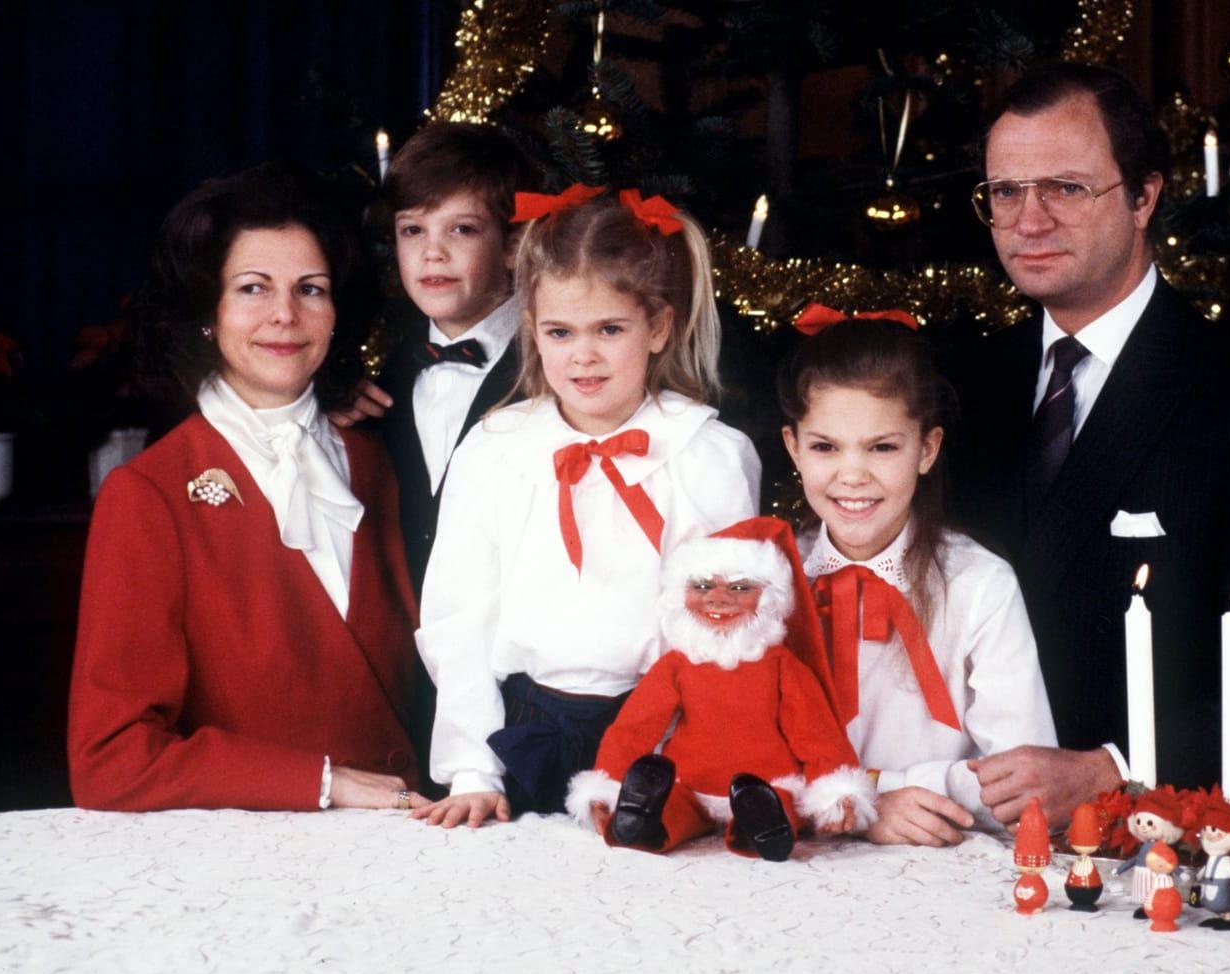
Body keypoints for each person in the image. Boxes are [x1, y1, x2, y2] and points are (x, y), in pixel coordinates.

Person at [948, 62, 1230, 816]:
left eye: (1065, 187)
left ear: (1144, 198)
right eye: (1006, 192)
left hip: (1153, 843)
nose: (1029, 221)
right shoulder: (960, 388)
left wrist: (1110, 770)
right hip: (959, 825)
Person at [68, 162, 428, 812]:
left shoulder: (371, 461)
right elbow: (110, 759)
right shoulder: (148, 495)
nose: (285, 315)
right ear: (209, 311)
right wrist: (323, 783)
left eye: (311, 289)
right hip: (252, 866)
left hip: (410, 841)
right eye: (254, 288)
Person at [409, 185, 761, 828]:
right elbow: (458, 617)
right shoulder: (496, 450)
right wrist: (471, 769)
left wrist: (706, 761)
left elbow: (725, 629)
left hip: (661, 741)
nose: (584, 354)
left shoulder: (708, 454)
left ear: (658, 327)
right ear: (533, 330)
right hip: (521, 736)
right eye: (560, 331)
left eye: (610, 328)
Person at [779, 313, 1057, 848]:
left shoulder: (979, 585)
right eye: (825, 447)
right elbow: (727, 755)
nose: (852, 474)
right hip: (793, 856)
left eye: (882, 447)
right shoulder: (766, 580)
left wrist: (893, 792)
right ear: (793, 446)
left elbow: (1020, 783)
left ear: (926, 449)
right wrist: (868, 805)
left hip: (935, 862)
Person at [566, 517, 874, 861]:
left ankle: (761, 826)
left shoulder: (783, 667)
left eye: (740, 588)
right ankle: (642, 821)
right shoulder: (677, 665)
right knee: (671, 805)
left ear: (769, 598)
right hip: (690, 784)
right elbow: (634, 729)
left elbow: (815, 733)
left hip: (767, 783)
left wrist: (835, 791)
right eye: (701, 586)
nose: (717, 600)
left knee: (780, 802)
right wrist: (605, 786)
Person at [334, 122, 537, 593]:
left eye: (462, 229)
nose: (432, 253)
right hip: (407, 657)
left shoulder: (563, 369)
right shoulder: (375, 388)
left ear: (512, 246)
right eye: (412, 230)